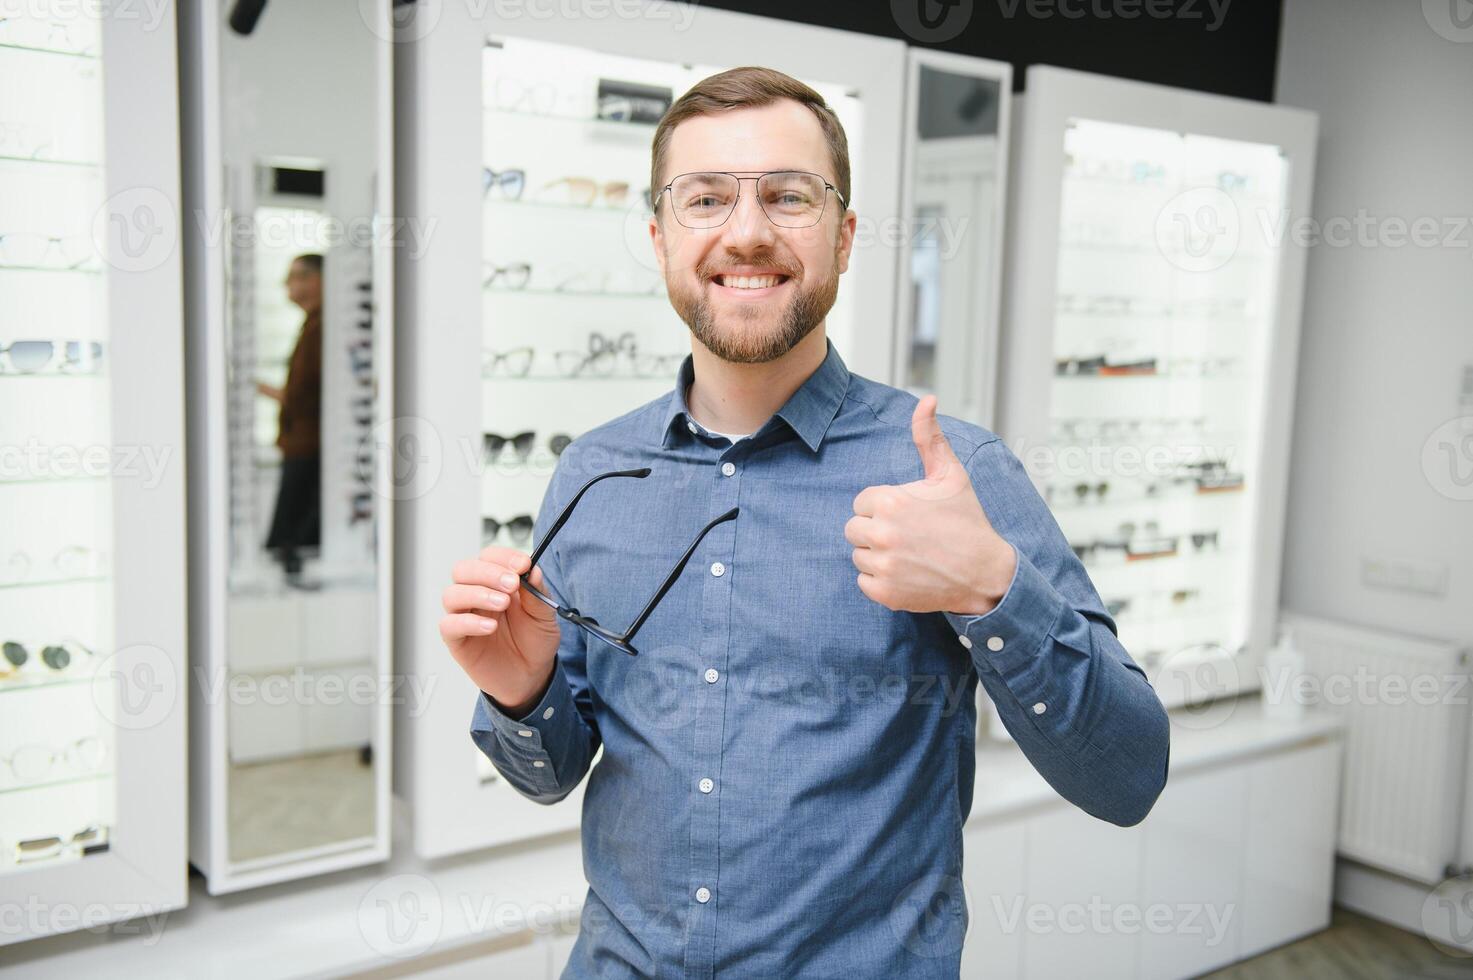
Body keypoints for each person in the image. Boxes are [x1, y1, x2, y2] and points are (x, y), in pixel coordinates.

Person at [441, 67, 1170, 977]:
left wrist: (994, 593)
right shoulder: (595, 472)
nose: (746, 232)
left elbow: (1128, 776)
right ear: (661, 236)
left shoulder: (953, 473)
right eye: (705, 199)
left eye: (788, 196)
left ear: (846, 235)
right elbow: (546, 775)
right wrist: (522, 693)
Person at [258, 253, 323, 578]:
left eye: (295, 276)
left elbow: (305, 398)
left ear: (317, 280)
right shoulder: (313, 325)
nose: (287, 285)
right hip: (303, 446)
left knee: (291, 542)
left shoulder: (322, 328)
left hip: (309, 449)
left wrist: (258, 389)